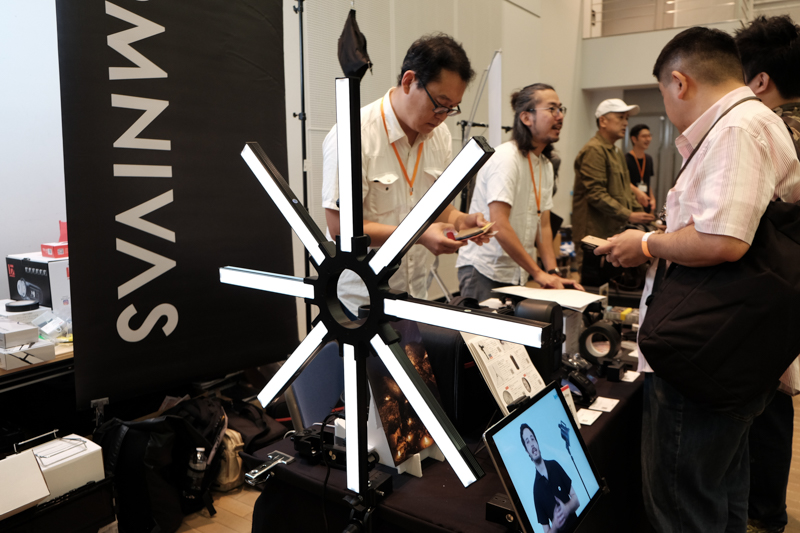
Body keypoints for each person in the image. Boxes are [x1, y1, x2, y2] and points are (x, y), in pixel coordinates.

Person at [595, 27, 800, 533]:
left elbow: (724, 240)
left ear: (679, 82)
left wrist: (646, 244)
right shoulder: (755, 123)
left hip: (706, 353)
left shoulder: (737, 129)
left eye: (663, 93)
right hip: (731, 347)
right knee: (722, 492)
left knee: (682, 504)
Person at [322, 34, 490, 315]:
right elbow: (340, 229)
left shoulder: (439, 136)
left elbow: (438, 206)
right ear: (409, 81)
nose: (442, 116)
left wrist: (461, 220)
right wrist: (419, 235)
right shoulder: (354, 134)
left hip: (415, 295)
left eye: (451, 108)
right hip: (358, 302)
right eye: (440, 103)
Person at [735, 15, 800, 533]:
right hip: (783, 288)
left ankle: (765, 513)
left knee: (767, 409)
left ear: (758, 80)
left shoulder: (762, 126)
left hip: (766, 288)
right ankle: (765, 511)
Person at [456, 84, 583, 303]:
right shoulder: (506, 158)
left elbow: (543, 225)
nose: (560, 116)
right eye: (552, 109)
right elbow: (499, 223)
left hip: (517, 272)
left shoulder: (545, 165)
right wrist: (538, 273)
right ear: (526, 117)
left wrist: (552, 272)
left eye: (561, 109)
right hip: (485, 270)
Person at [571, 99, 654, 271]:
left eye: (626, 118)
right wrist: (629, 215)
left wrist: (645, 218)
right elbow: (596, 193)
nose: (625, 123)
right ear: (603, 121)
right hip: (594, 234)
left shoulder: (615, 152)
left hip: (611, 231)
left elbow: (625, 191)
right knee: (592, 283)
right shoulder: (594, 150)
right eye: (620, 117)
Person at [520, 424, 579, 533]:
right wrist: (555, 526)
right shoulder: (536, 490)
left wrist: (566, 509)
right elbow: (547, 531)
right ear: (527, 451)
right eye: (527, 442)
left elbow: (576, 500)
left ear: (537, 442)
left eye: (532, 439)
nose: (532, 444)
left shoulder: (554, 465)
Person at [624, 124, 656, 213]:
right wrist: (637, 191)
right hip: (631, 205)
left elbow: (647, 182)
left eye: (649, 136)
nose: (648, 139)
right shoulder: (625, 159)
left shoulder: (648, 159)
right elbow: (623, 181)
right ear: (634, 139)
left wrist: (652, 198)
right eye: (644, 136)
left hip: (646, 203)